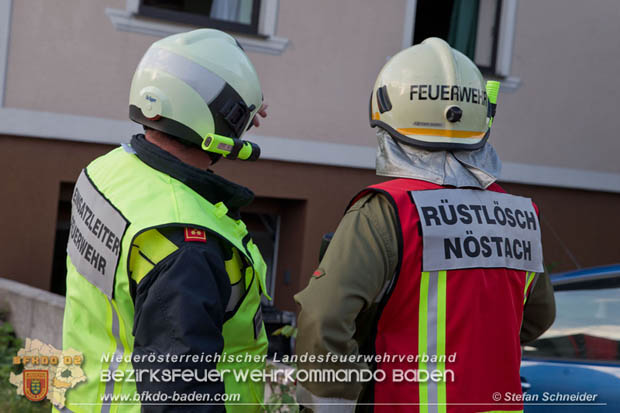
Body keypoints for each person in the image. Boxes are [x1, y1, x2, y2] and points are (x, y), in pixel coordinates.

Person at [294, 38, 556, 413]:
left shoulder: (386, 211)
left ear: (385, 114)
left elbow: (324, 320)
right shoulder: (521, 214)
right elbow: (538, 316)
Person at [56, 29, 270, 413]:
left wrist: (236, 107)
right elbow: (180, 399)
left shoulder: (106, 173)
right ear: (224, 120)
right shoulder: (187, 244)